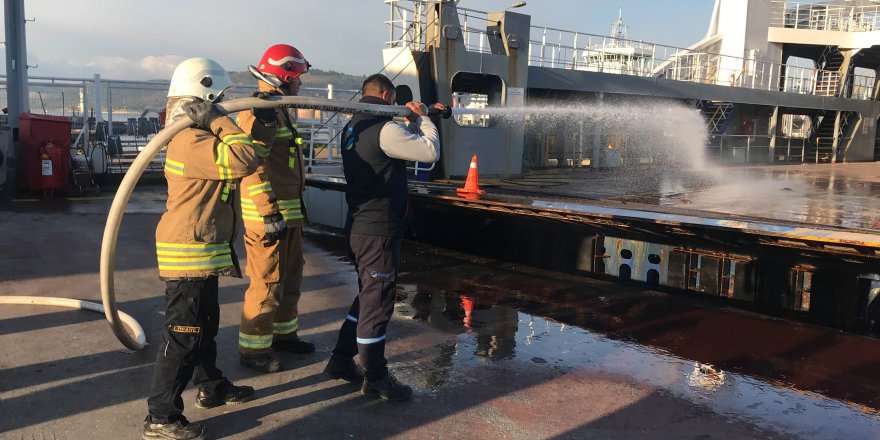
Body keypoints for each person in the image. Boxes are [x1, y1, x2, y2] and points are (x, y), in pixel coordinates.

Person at [143, 57, 282, 440]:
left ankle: (211, 385)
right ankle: (161, 418)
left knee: (204, 328)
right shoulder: (191, 139)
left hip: (205, 250)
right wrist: (219, 119)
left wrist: (264, 124)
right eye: (219, 98)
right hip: (188, 253)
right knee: (183, 336)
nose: (224, 104)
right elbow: (243, 160)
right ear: (204, 99)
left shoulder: (202, 136)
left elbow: (250, 150)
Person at [323, 73, 441, 401]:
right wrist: (425, 118)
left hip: (360, 226)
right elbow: (429, 152)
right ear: (388, 95)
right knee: (377, 306)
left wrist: (409, 118)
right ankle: (375, 377)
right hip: (378, 232)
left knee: (367, 298)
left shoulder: (355, 126)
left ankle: (340, 360)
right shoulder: (385, 128)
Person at [236, 44, 315, 373]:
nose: (300, 84)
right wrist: (268, 213)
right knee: (266, 282)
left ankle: (284, 336)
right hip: (267, 217)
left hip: (289, 214)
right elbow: (251, 167)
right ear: (283, 76)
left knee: (291, 277)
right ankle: (253, 350)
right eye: (296, 78)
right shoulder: (258, 113)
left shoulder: (278, 109)